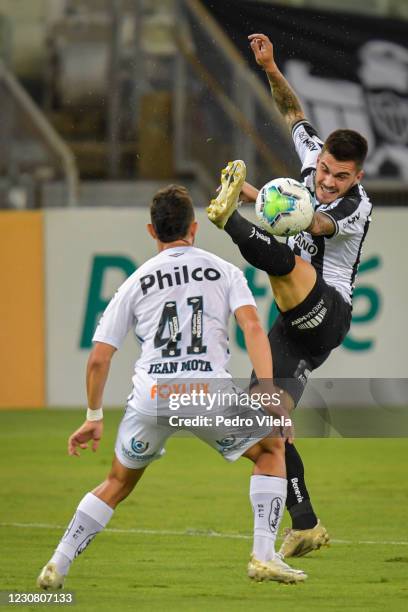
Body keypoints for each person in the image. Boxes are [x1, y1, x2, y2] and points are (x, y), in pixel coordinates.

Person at [37, 184, 306, 588]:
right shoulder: (224, 270)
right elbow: (252, 326)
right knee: (271, 448)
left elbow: (99, 357)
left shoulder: (134, 282)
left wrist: (93, 416)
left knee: (116, 482)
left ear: (152, 231)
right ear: (194, 228)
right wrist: (267, 390)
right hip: (207, 394)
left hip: (153, 399)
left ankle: (58, 564)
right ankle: (263, 556)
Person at [207, 33, 372, 559]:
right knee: (268, 426)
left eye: (339, 177)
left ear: (357, 178)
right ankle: (305, 523)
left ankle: (227, 222)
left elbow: (312, 222)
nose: (326, 181)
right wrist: (272, 68)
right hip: (292, 329)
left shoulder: (356, 207)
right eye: (324, 170)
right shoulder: (313, 160)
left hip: (328, 313)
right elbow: (292, 110)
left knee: (288, 266)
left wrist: (243, 203)